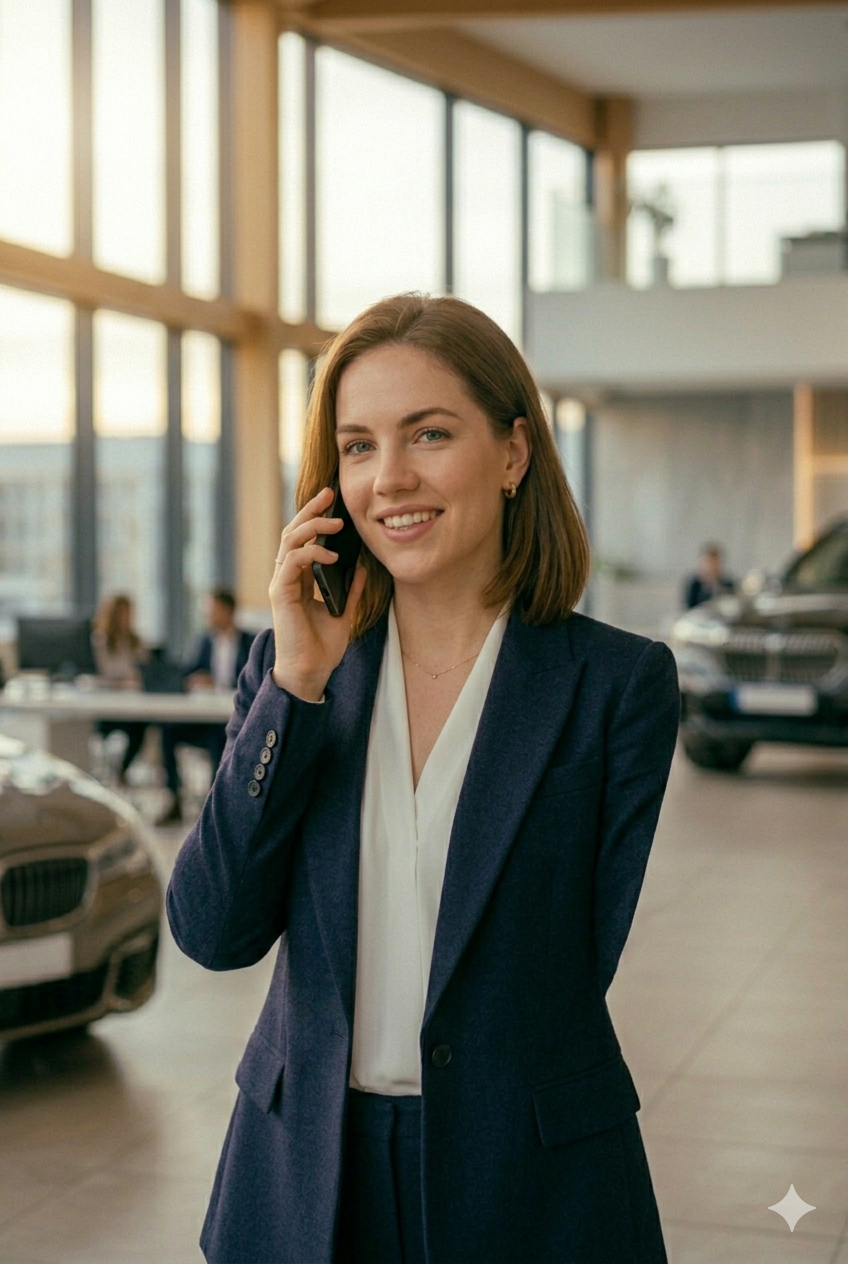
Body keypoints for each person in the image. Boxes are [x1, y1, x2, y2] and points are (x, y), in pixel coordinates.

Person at [167, 295, 680, 1264]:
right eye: (356, 446)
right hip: (306, 1168)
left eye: (428, 434)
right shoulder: (300, 672)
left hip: (525, 1173)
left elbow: (565, 973)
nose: (388, 477)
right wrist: (294, 687)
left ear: (513, 451)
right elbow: (212, 928)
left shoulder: (614, 686)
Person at [157, 588, 254, 825]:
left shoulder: (251, 642)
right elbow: (189, 673)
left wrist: (225, 684)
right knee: (167, 731)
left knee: (217, 737)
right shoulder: (204, 642)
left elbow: (253, 680)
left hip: (233, 718)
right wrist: (196, 679)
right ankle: (174, 799)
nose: (208, 616)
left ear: (228, 611)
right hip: (204, 715)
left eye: (212, 611)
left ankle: (216, 805)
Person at [92, 593, 148, 785]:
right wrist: (123, 681)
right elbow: (101, 676)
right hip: (106, 707)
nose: (128, 618)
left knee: (141, 726)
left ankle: (122, 772)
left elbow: (144, 670)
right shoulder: (101, 641)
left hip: (131, 706)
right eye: (124, 613)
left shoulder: (135, 641)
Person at [683, 542, 734, 609]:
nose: (712, 566)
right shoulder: (694, 584)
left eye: (715, 562)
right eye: (709, 562)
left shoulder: (728, 584)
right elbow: (689, 606)